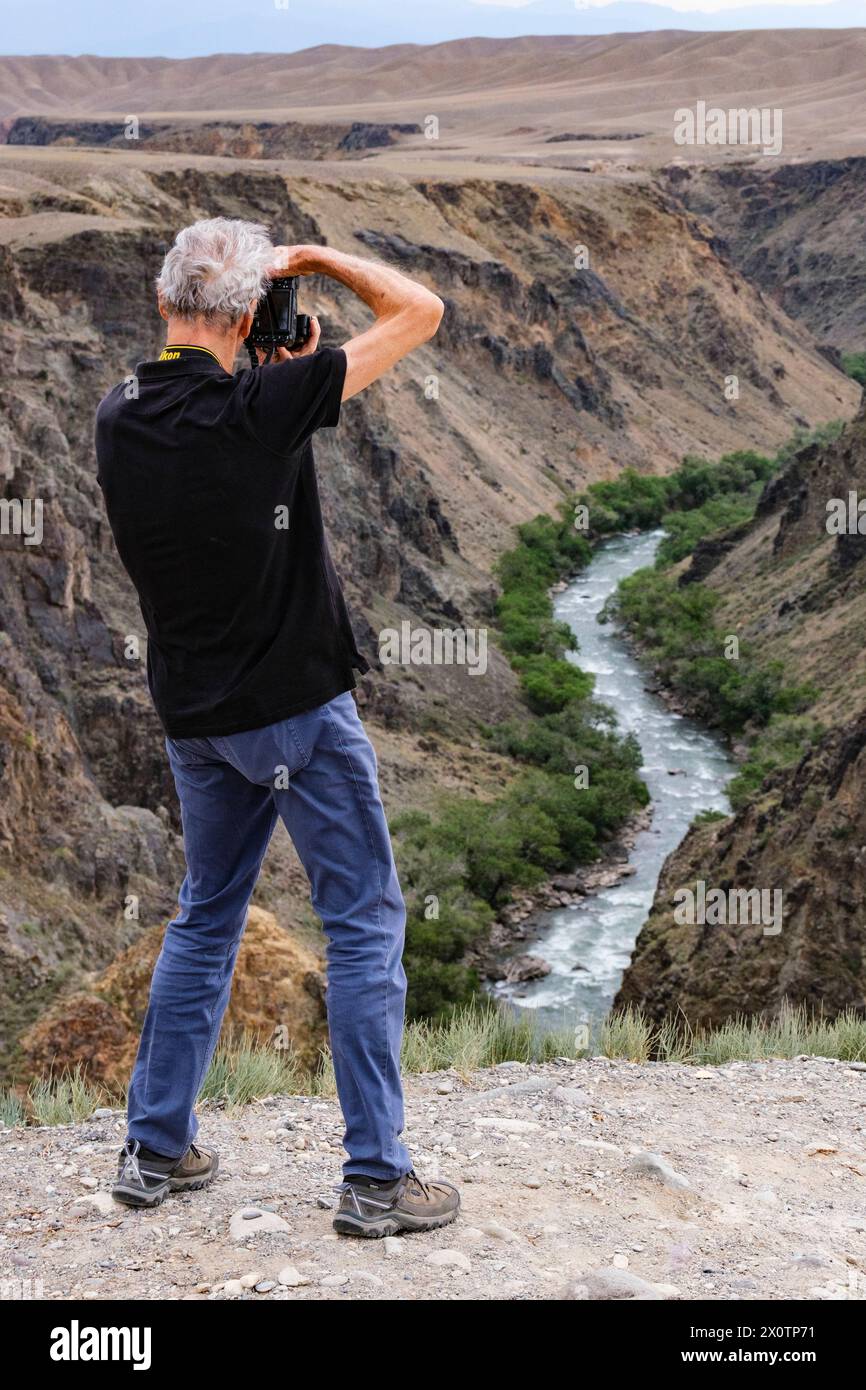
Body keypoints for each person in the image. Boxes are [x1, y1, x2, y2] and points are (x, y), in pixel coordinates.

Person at [95, 218, 460, 1237]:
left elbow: (213, 446)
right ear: (250, 309)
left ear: (169, 303)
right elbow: (419, 312)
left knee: (206, 915)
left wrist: (270, 366)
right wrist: (315, 263)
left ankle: (154, 1147)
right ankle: (378, 1178)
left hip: (193, 718)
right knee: (361, 924)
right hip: (297, 713)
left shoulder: (118, 412)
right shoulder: (265, 404)